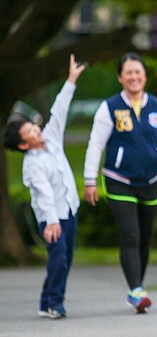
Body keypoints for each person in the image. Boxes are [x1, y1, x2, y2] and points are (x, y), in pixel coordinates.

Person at [83, 52, 157, 314]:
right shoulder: (110, 108)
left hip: (150, 180)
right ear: (120, 77)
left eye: (138, 72)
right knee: (130, 234)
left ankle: (137, 287)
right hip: (118, 179)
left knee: (143, 237)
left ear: (144, 76)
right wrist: (90, 179)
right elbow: (95, 144)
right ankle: (135, 290)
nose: (133, 77)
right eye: (128, 72)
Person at [2, 54, 87, 319]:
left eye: (34, 127)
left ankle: (46, 301)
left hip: (68, 211)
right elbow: (43, 193)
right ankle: (53, 303)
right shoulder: (32, 164)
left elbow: (59, 111)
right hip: (52, 218)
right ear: (24, 144)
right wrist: (51, 221)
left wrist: (71, 80)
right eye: (30, 132)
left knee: (65, 259)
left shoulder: (51, 140)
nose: (37, 131)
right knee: (58, 259)